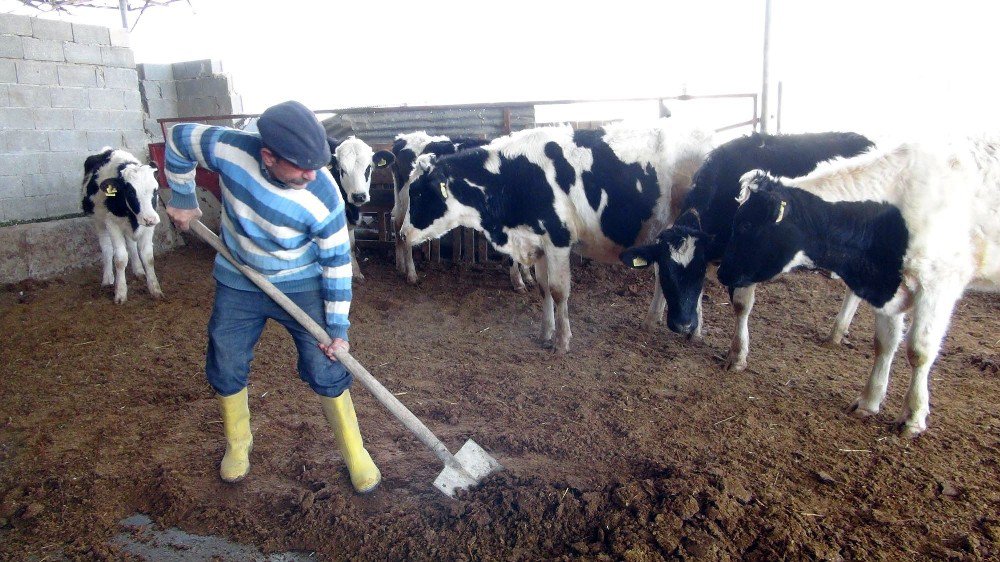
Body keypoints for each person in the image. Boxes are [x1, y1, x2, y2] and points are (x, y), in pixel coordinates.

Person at [164, 100, 380, 493]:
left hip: (302, 283)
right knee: (225, 358)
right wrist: (182, 197)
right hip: (238, 278)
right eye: (300, 166)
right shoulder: (228, 149)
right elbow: (178, 139)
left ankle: (354, 450)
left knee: (325, 364)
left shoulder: (326, 197)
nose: (311, 175)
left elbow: (336, 265)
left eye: (317, 164)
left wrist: (336, 328)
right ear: (267, 156)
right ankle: (238, 443)